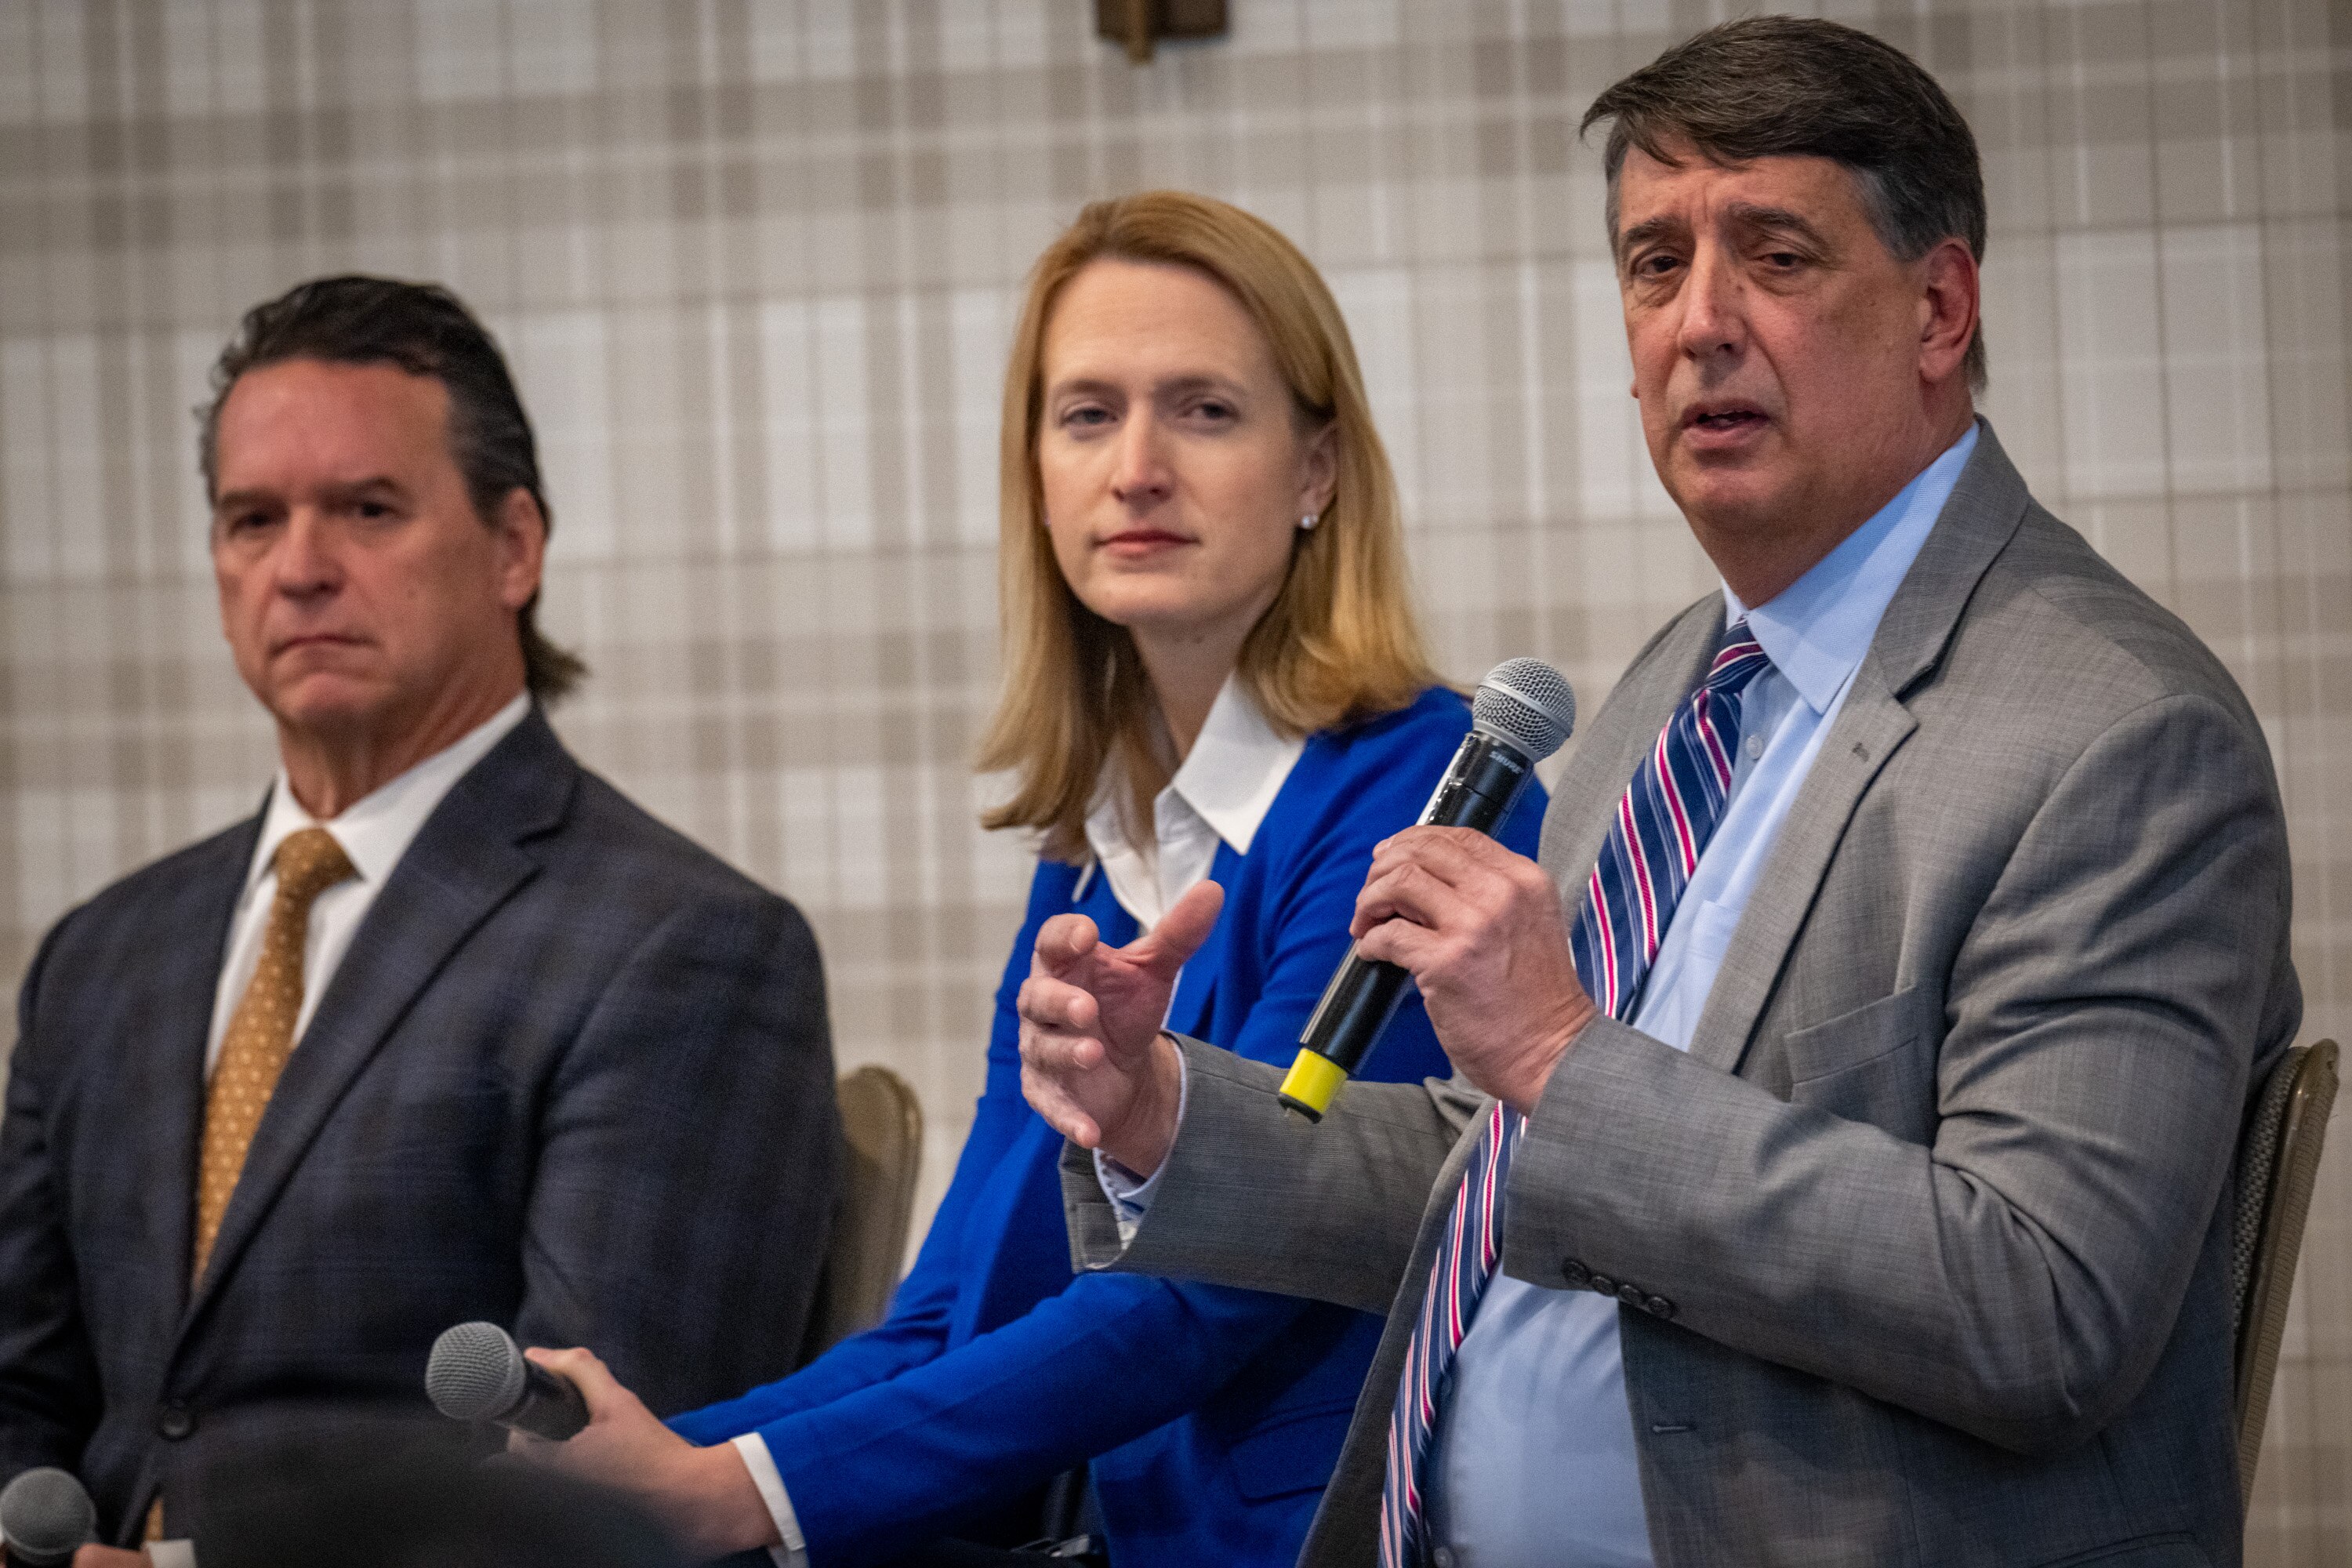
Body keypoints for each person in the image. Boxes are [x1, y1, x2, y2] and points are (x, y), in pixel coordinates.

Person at [1021, 20, 2297, 1568]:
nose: (1699, 325)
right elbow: (1504, 1169)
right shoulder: (1677, 684)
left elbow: (2041, 1306)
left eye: (1773, 255)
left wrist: (1561, 1052)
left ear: (1940, 309)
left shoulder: (2115, 738)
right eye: (1651, 265)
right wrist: (1164, 1115)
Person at [511, 191, 1545, 1567]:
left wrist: (744, 1491)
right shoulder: (1090, 851)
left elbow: (1203, 1294)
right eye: (1086, 416)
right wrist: (657, 1470)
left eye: (1204, 410)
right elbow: (954, 1312)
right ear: (1039, 478)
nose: (1137, 469)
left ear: (1319, 472)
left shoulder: (1420, 796)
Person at [0, 277, 842, 1560]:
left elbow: (599, 1488)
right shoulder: (102, 956)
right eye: (251, 519)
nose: (299, 568)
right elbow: (20, 1389)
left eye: (367, 510)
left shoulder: (684, 947)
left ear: (516, 547)